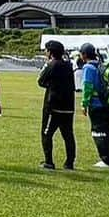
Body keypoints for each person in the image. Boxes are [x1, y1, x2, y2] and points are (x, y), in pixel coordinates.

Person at [80, 43, 109, 168]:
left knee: (99, 131)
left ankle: (106, 159)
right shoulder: (101, 65)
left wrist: (84, 104)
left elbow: (87, 86)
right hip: (107, 103)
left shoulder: (88, 67)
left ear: (84, 55)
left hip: (96, 104)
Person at [37, 40, 76, 170]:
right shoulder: (68, 65)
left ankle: (49, 161)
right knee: (68, 135)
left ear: (50, 52)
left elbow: (41, 81)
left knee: (46, 133)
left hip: (53, 106)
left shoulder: (51, 65)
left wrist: (50, 85)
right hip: (68, 105)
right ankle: (69, 162)